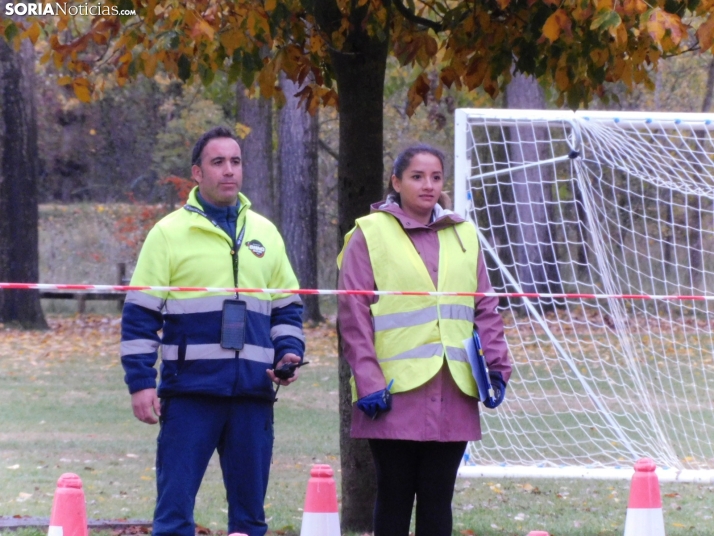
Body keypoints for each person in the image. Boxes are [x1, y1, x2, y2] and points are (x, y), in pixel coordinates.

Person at [120, 126, 305, 536]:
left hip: (253, 395)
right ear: (197, 173)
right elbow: (140, 314)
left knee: (250, 520)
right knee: (173, 516)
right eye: (217, 162)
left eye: (235, 161)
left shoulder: (265, 233)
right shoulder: (168, 233)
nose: (229, 171)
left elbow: (287, 305)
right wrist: (139, 381)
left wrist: (287, 354)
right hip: (189, 396)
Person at [336, 143, 512, 536]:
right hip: (392, 394)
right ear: (396, 182)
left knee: (438, 500)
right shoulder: (369, 233)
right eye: (417, 176)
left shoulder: (465, 234)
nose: (427, 185)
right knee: (395, 497)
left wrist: (497, 368)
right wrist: (368, 380)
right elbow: (353, 314)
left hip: (454, 388)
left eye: (435, 177)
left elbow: (485, 307)